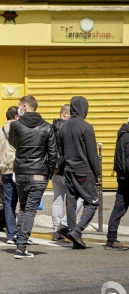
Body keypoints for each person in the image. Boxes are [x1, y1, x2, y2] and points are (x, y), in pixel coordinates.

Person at [8, 95, 57, 259]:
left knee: (23, 208)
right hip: (39, 173)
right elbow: (53, 154)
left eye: (18, 106)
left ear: (24, 107)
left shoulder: (15, 126)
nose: (17, 109)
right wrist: (48, 173)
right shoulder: (47, 127)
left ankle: (20, 243)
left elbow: (13, 144)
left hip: (21, 172)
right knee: (30, 209)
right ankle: (21, 246)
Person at [59, 96, 101, 249]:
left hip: (69, 170)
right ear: (84, 108)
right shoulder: (86, 127)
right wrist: (98, 174)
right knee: (93, 202)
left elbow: (61, 152)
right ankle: (77, 231)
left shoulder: (63, 127)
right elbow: (92, 154)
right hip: (83, 171)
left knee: (70, 202)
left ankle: (72, 232)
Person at [51, 104, 84, 241]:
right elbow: (68, 150)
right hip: (67, 169)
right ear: (64, 114)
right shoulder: (68, 128)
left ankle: (55, 230)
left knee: (57, 200)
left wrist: (53, 165)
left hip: (54, 170)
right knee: (81, 197)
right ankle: (63, 225)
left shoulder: (50, 128)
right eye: (71, 114)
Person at [0, 106, 19, 244]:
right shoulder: (20, 129)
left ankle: (10, 235)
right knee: (25, 204)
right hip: (19, 170)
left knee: (9, 204)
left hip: (5, 172)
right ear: (16, 117)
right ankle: (23, 234)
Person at [105, 118, 129, 250]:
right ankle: (112, 238)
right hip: (127, 178)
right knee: (119, 209)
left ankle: (111, 238)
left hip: (123, 179)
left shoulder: (123, 135)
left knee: (118, 209)